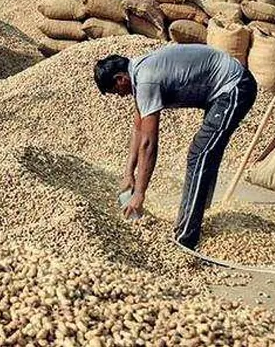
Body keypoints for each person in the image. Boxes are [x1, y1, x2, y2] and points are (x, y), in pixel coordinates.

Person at [94, 45, 257, 249]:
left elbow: (149, 143)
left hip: (234, 87)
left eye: (115, 91)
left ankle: (185, 238)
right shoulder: (139, 74)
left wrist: (139, 194)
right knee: (205, 152)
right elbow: (138, 130)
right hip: (219, 91)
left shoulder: (146, 79)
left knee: (200, 154)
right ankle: (199, 212)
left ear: (120, 79)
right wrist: (129, 173)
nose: (119, 96)